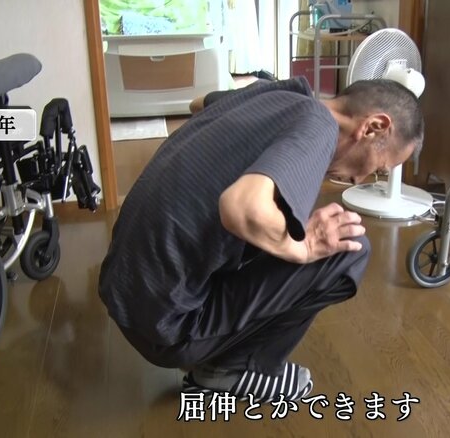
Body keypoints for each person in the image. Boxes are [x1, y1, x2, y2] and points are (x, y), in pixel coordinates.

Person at [98, 75, 424, 402]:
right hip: (166, 328)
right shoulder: (321, 127)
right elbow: (241, 208)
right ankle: (230, 369)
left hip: (124, 291)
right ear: (373, 127)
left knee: (284, 221)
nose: (360, 179)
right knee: (347, 251)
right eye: (378, 168)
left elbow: (199, 103)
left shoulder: (278, 91)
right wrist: (304, 247)